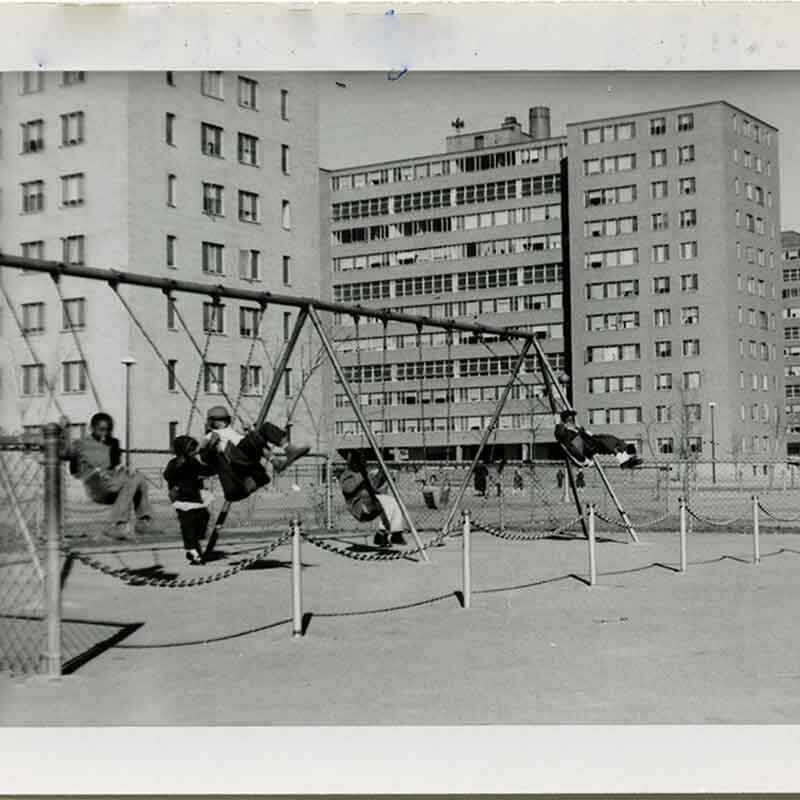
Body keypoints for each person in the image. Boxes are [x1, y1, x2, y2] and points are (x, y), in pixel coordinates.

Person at [59, 412, 153, 540]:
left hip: (113, 483)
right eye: (101, 430)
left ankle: (142, 521)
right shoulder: (80, 444)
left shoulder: (114, 443)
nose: (106, 434)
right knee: (132, 478)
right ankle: (116, 525)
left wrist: (122, 470)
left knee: (138, 477)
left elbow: (115, 465)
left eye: (109, 430)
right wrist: (63, 431)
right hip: (96, 485)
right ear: (91, 428)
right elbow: (63, 453)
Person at [198, 406, 310, 502]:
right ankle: (285, 454)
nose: (223, 423)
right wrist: (211, 444)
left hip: (246, 454)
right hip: (236, 455)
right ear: (213, 422)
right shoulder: (211, 434)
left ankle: (278, 460)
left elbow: (247, 440)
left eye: (225, 420)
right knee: (263, 429)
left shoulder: (233, 431)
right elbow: (203, 450)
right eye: (220, 421)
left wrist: (249, 430)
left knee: (259, 437)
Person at [163, 435, 217, 565]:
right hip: (182, 499)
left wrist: (216, 464)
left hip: (194, 498)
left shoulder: (193, 462)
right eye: (192, 449)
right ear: (184, 451)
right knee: (187, 524)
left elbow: (205, 470)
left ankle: (195, 541)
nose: (195, 452)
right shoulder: (174, 463)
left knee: (204, 516)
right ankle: (193, 551)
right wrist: (177, 466)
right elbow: (167, 475)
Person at [339, 451, 406, 548]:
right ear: (353, 462)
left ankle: (395, 533)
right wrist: (362, 475)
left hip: (370, 503)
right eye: (360, 461)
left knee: (393, 501)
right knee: (384, 502)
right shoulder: (346, 474)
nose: (364, 463)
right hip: (359, 507)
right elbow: (348, 488)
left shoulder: (364, 473)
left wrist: (381, 474)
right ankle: (381, 534)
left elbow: (374, 488)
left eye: (364, 461)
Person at [554, 410, 643, 469]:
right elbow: (568, 445)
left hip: (590, 443)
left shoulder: (575, 427)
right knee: (607, 441)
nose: (572, 420)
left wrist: (581, 430)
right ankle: (624, 460)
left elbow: (587, 433)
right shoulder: (562, 430)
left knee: (611, 439)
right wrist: (584, 460)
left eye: (572, 418)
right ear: (565, 419)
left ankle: (625, 459)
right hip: (583, 448)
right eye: (570, 418)